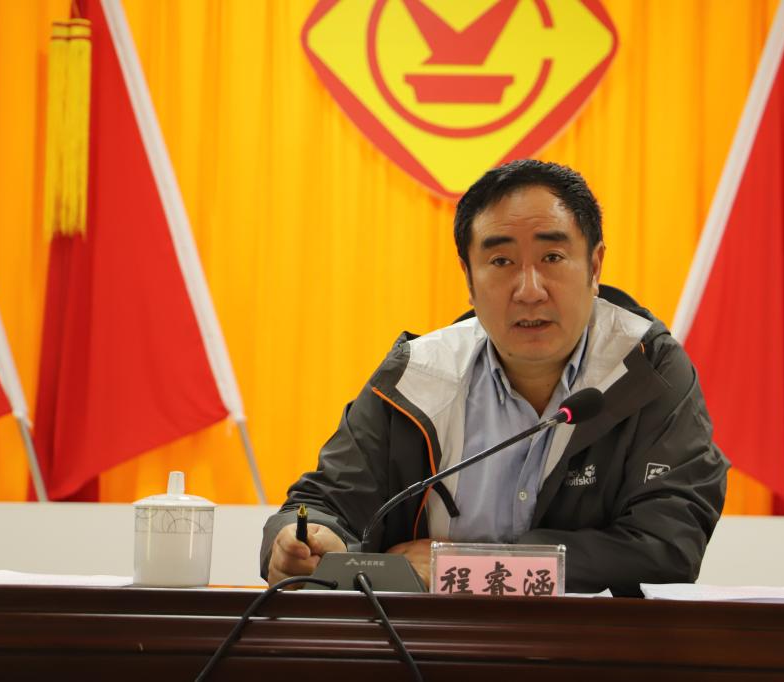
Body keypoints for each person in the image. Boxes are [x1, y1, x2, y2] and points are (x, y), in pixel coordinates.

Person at [261, 160, 729, 596]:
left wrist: (467, 567)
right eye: (502, 262)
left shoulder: (646, 370)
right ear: (468, 277)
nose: (529, 290)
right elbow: (322, 503)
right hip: (427, 646)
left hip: (591, 646)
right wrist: (303, 542)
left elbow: (669, 547)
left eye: (552, 257)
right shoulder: (418, 377)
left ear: (595, 266)